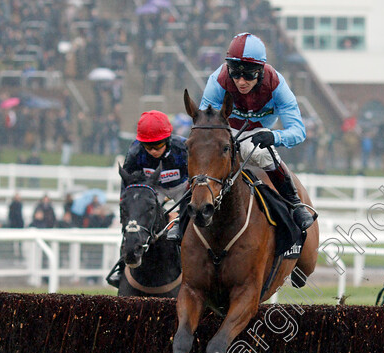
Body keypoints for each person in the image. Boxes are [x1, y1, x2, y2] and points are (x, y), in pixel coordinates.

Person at [199, 32, 315, 232]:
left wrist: (274, 137)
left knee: (261, 151)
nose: (241, 81)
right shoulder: (218, 79)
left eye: (249, 74)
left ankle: (294, 204)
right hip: (225, 129)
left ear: (261, 71)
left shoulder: (277, 85)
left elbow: (298, 131)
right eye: (235, 73)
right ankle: (181, 215)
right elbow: (204, 122)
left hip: (259, 133)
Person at [108, 110, 189, 287]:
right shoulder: (136, 151)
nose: (152, 151)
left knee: (194, 217)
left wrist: (180, 213)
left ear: (167, 140)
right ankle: (123, 265)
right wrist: (128, 212)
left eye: (158, 145)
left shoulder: (183, 147)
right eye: (148, 146)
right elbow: (127, 185)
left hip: (182, 187)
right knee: (138, 220)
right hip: (155, 188)